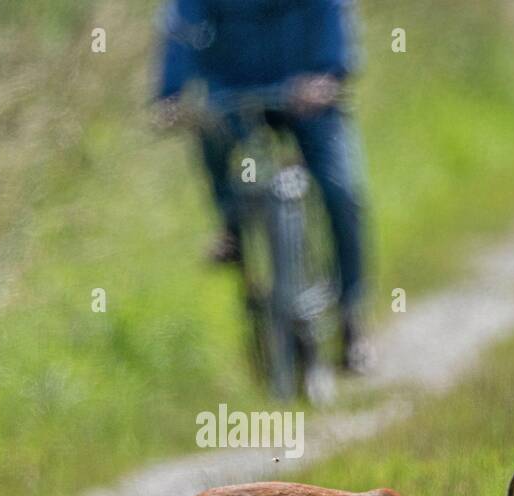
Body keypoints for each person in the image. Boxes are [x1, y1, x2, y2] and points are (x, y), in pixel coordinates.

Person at [154, 0, 372, 373]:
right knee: (212, 133)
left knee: (342, 192)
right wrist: (171, 95)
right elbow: (182, 30)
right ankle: (233, 226)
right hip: (234, 96)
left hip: (306, 95)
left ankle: (352, 316)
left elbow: (333, 14)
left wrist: (329, 73)